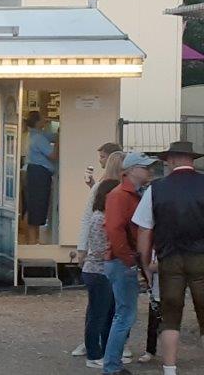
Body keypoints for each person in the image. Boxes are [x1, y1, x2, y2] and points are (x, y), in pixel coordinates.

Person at [134, 141, 204, 375]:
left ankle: (170, 369)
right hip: (201, 257)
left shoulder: (156, 189)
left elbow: (144, 230)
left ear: (172, 160)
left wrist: (145, 263)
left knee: (171, 314)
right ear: (191, 159)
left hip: (169, 257)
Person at [102, 151, 159, 375]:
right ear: (132, 170)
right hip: (122, 261)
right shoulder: (121, 195)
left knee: (123, 314)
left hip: (121, 260)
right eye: (145, 167)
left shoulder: (126, 194)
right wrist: (129, 260)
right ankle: (112, 367)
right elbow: (115, 230)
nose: (149, 171)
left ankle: (112, 365)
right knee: (124, 316)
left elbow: (116, 229)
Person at [82, 166, 119, 369]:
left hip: (105, 271)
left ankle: (105, 351)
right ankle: (93, 353)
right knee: (97, 314)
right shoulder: (99, 218)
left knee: (107, 313)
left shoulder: (104, 216)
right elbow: (97, 248)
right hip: (98, 271)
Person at [24, 111, 58, 244]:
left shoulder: (35, 134)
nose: (45, 120)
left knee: (32, 206)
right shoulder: (38, 138)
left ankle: (32, 240)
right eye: (43, 118)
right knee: (37, 207)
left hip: (34, 173)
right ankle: (33, 242)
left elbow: (51, 136)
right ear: (38, 122)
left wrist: (59, 135)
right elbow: (53, 156)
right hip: (39, 174)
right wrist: (59, 143)